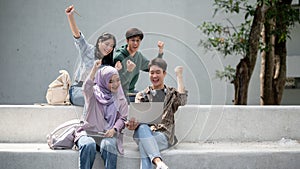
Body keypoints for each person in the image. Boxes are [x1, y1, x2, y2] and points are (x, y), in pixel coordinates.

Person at [126, 58, 188, 169]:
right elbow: (138, 119)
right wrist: (132, 124)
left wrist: (179, 76)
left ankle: (158, 162)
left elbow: (182, 100)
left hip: (163, 136)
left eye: (158, 72)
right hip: (143, 132)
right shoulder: (142, 95)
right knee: (143, 127)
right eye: (152, 73)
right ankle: (159, 163)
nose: (154, 76)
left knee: (143, 145)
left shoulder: (171, 94)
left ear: (164, 74)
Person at [75, 60, 128, 169]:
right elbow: (86, 87)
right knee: (88, 145)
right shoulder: (93, 94)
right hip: (88, 133)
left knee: (109, 146)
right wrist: (94, 69)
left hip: (108, 135)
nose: (115, 84)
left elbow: (123, 118)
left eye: (117, 80)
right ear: (103, 81)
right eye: (111, 81)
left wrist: (114, 129)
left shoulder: (120, 97)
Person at [65, 5, 116, 106]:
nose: (109, 48)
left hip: (96, 91)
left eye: (112, 46)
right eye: (107, 44)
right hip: (79, 89)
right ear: (99, 42)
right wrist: (70, 16)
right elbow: (78, 36)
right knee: (94, 100)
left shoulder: (108, 63)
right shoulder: (87, 50)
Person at [114, 28, 164, 102]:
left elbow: (153, 67)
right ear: (127, 41)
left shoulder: (138, 56)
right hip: (119, 94)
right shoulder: (119, 57)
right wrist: (129, 71)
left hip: (131, 92)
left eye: (138, 40)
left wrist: (160, 52)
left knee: (149, 99)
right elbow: (117, 83)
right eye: (133, 40)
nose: (135, 43)